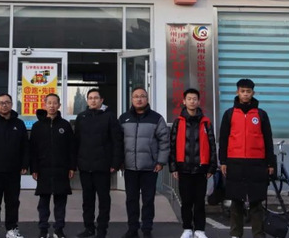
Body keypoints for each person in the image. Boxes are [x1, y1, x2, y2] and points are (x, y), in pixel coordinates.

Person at [219, 79, 275, 238]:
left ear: (253, 93)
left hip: (257, 162)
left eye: (248, 91)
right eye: (242, 91)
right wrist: (223, 161)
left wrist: (270, 163)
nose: (245, 94)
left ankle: (258, 234)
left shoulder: (261, 114)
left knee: (257, 201)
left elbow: (268, 140)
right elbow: (223, 139)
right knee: (236, 201)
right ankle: (236, 234)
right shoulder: (229, 114)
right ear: (237, 92)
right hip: (235, 162)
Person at [118, 87, 170, 238]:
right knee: (131, 200)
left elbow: (164, 141)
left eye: (142, 96)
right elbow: (118, 141)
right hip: (130, 167)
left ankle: (147, 229)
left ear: (147, 99)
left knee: (148, 200)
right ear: (132, 99)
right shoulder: (124, 118)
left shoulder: (156, 118)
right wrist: (119, 161)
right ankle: (132, 229)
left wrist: (161, 161)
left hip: (150, 167)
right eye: (136, 96)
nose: (139, 99)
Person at [73, 88, 123, 238]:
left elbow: (117, 141)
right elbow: (76, 141)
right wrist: (75, 162)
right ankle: (89, 228)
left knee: (103, 200)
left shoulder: (109, 117)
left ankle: (102, 230)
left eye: (96, 98)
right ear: (87, 101)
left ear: (101, 100)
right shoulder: (81, 117)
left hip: (103, 166)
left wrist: (115, 162)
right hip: (85, 166)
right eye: (90, 98)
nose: (93, 100)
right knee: (87, 200)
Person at [169, 88, 217, 238]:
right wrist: (173, 167)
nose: (192, 101)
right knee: (186, 201)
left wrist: (212, 166)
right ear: (184, 101)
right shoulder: (178, 122)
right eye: (189, 99)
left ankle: (200, 230)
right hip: (183, 168)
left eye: (194, 99)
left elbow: (212, 144)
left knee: (200, 201)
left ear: (199, 101)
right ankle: (187, 228)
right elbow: (172, 145)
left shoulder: (205, 122)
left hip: (201, 168)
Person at [0, 93, 30, 238]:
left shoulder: (19, 124)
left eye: (7, 102)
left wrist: (24, 164)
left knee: (13, 201)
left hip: (13, 170)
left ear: (12, 104)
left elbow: (25, 146)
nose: (4, 105)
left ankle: (11, 229)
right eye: (1, 103)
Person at [29, 93, 76, 238]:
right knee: (43, 202)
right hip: (43, 169)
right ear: (45, 105)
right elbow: (33, 149)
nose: (52, 106)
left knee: (60, 202)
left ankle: (58, 230)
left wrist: (72, 167)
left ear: (59, 105)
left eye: (55, 103)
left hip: (61, 169)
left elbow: (71, 148)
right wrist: (34, 168)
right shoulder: (37, 126)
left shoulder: (65, 125)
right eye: (49, 103)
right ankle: (43, 230)